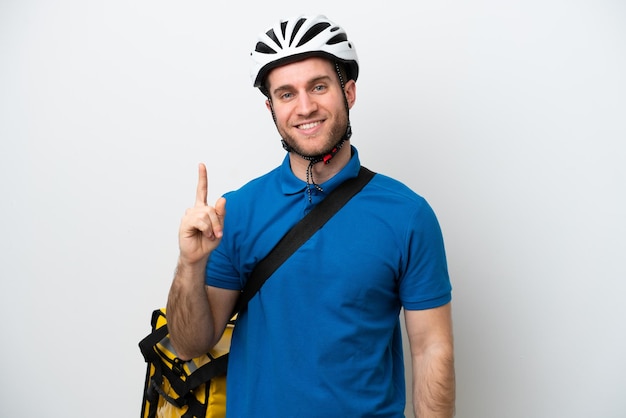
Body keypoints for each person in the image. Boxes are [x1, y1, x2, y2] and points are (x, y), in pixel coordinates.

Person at [166, 14, 455, 418]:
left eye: (318, 87)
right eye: (286, 94)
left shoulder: (408, 215)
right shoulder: (237, 210)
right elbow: (189, 344)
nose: (305, 107)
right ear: (271, 107)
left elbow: (431, 348)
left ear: (348, 92)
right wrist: (190, 264)